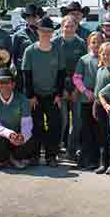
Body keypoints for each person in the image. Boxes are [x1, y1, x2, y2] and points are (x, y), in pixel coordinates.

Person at [22, 16, 65, 168]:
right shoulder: (30, 50)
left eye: (49, 31)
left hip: (52, 95)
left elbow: (61, 73)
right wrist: (31, 96)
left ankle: (51, 156)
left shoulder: (57, 50)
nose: (46, 33)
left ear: (52, 32)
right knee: (36, 125)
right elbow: (26, 74)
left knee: (55, 125)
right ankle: (34, 155)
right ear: (38, 31)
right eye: (42, 31)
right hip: (35, 96)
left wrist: (59, 95)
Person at [51, 15, 87, 161]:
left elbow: (84, 67)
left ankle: (71, 150)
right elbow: (52, 68)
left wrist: (77, 89)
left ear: (76, 27)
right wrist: (61, 89)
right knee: (62, 120)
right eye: (66, 26)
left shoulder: (81, 43)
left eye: (72, 26)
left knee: (77, 121)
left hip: (77, 86)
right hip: (60, 86)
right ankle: (56, 149)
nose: (69, 28)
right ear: (62, 27)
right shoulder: (55, 42)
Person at [0, 67, 35, 170]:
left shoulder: (23, 100)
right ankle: (2, 160)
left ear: (13, 84)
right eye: (1, 82)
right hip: (2, 135)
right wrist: (10, 134)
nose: (5, 85)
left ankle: (15, 158)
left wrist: (22, 136)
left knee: (30, 139)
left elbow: (27, 123)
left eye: (8, 82)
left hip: (18, 134)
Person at [74, 31, 104, 169]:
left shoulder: (106, 59)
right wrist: (85, 91)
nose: (96, 45)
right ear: (89, 44)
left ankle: (98, 160)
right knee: (86, 130)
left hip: (101, 101)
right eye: (93, 42)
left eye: (99, 42)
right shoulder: (83, 60)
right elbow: (77, 78)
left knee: (99, 130)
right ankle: (86, 159)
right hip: (86, 100)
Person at [93, 42, 110, 174]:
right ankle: (103, 163)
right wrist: (94, 106)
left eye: (109, 53)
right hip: (99, 106)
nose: (106, 56)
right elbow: (97, 90)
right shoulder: (100, 70)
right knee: (102, 136)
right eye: (103, 53)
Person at [11, 4, 45, 83]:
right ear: (25, 18)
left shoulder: (44, 33)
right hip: (22, 71)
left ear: (38, 17)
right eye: (28, 16)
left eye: (34, 16)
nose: (31, 18)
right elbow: (14, 54)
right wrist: (13, 65)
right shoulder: (18, 35)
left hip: (39, 69)